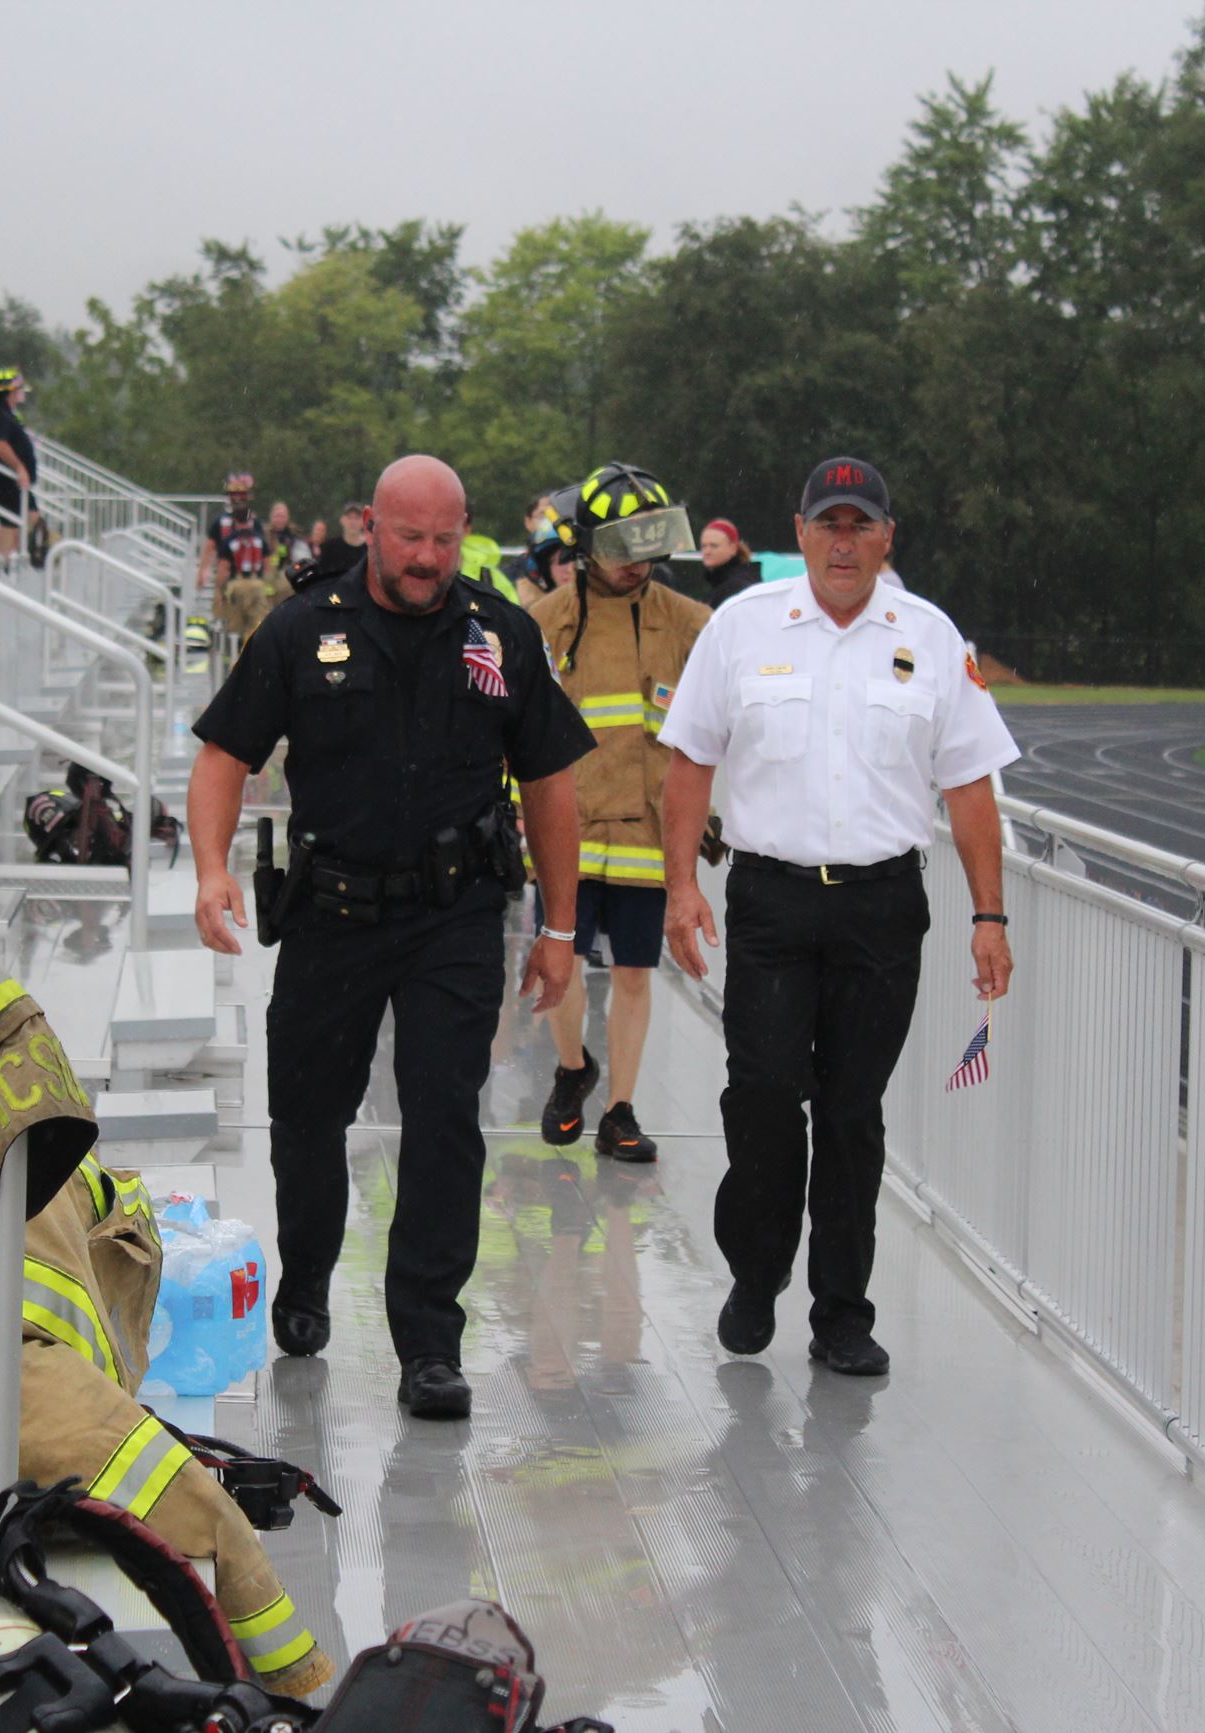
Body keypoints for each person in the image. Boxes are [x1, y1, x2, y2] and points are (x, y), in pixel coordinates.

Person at [186, 455, 594, 1420]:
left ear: (465, 532)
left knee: (445, 1114)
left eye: (445, 539)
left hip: (455, 915)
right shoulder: (300, 628)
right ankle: (307, 1277)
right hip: (331, 912)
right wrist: (210, 870)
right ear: (371, 526)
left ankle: (429, 1339)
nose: (426, 557)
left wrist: (562, 925)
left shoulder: (502, 632)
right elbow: (223, 756)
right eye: (408, 537)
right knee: (307, 1115)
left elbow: (550, 782)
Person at [660, 455, 1019, 1376]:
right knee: (767, 1095)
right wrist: (680, 888)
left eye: (862, 525)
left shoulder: (932, 638)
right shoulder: (740, 628)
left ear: (887, 537)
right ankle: (757, 1269)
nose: (845, 542)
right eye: (829, 524)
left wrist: (991, 914)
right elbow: (690, 761)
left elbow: (970, 783)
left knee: (854, 1114)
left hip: (882, 906)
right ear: (801, 532)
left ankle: (841, 1314)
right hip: (772, 901)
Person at [526, 463, 710, 1164]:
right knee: (561, 963)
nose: (636, 564)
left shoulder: (690, 623)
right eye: (621, 548)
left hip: (647, 829)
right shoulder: (545, 621)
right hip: (566, 826)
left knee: (636, 972)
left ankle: (620, 1111)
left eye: (646, 547)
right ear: (584, 545)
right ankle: (573, 1068)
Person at [0, 366, 40, 557]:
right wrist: (19, 467)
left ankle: (16, 560)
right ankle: (4, 564)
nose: (21, 393)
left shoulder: (7, 414)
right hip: (6, 481)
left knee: (30, 519)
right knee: (11, 523)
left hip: (15, 482)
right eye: (17, 388)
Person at [199, 473, 268, 594]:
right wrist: (203, 571)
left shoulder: (255, 523)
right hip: (228, 578)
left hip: (254, 578)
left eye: (241, 496)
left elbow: (265, 554)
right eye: (234, 495)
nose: (237, 500)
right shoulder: (221, 522)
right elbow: (209, 547)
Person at [699, 518, 763, 606]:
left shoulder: (736, 587)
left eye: (714, 546)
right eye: (704, 546)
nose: (707, 551)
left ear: (733, 548)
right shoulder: (720, 582)